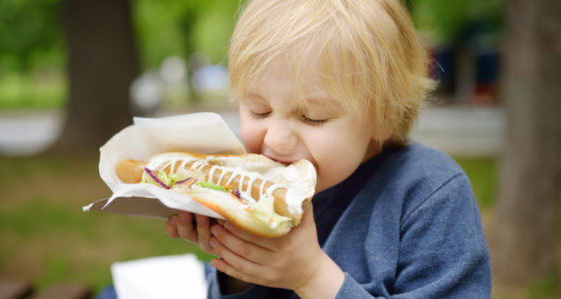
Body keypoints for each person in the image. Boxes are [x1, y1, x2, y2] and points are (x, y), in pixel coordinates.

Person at [165, 0, 492, 297]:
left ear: (383, 115)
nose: (276, 139)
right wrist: (239, 264)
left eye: (312, 116)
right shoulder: (258, 191)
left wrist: (310, 277)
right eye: (259, 110)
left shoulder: (431, 195)